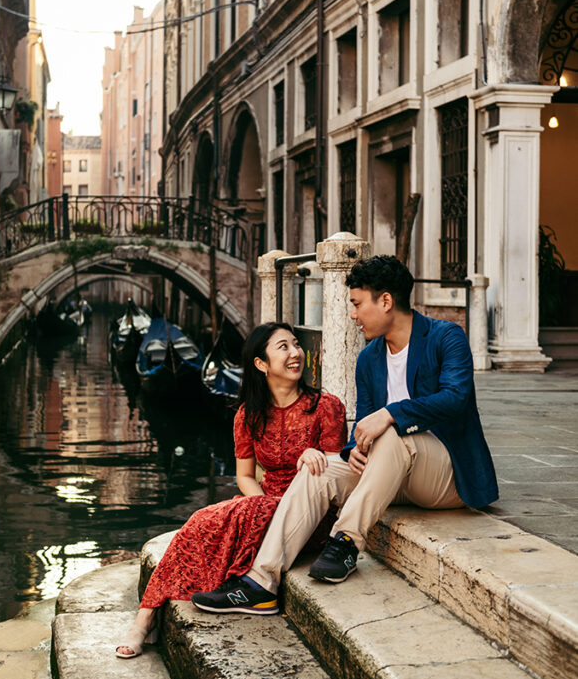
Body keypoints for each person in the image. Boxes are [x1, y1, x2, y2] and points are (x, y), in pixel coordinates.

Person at [191, 255, 499, 614]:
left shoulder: (447, 337)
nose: (352, 315)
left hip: (446, 475)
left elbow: (455, 399)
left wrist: (390, 414)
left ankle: (347, 540)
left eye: (356, 304)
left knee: (390, 433)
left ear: (385, 301)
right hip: (389, 471)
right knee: (317, 468)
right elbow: (363, 428)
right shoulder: (369, 358)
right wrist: (353, 450)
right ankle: (261, 582)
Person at [115, 321, 347, 657]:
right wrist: (265, 503)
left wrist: (316, 456)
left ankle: (145, 620)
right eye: (283, 347)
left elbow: (335, 475)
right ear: (261, 363)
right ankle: (144, 617)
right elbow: (245, 476)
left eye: (296, 344)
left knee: (218, 519)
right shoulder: (248, 415)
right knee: (201, 521)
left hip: (312, 516)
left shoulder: (325, 406)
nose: (295, 353)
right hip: (265, 503)